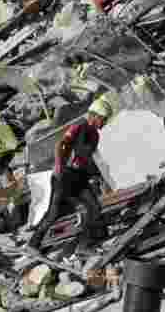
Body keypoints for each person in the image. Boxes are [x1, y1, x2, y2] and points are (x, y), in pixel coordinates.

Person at [27, 97, 111, 253]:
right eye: (103, 119)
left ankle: (86, 245)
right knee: (54, 213)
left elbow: (88, 157)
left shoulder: (95, 135)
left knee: (93, 207)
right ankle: (33, 244)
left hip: (80, 177)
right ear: (95, 116)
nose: (104, 123)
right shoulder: (79, 126)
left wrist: (97, 177)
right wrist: (59, 165)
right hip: (65, 175)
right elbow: (62, 144)